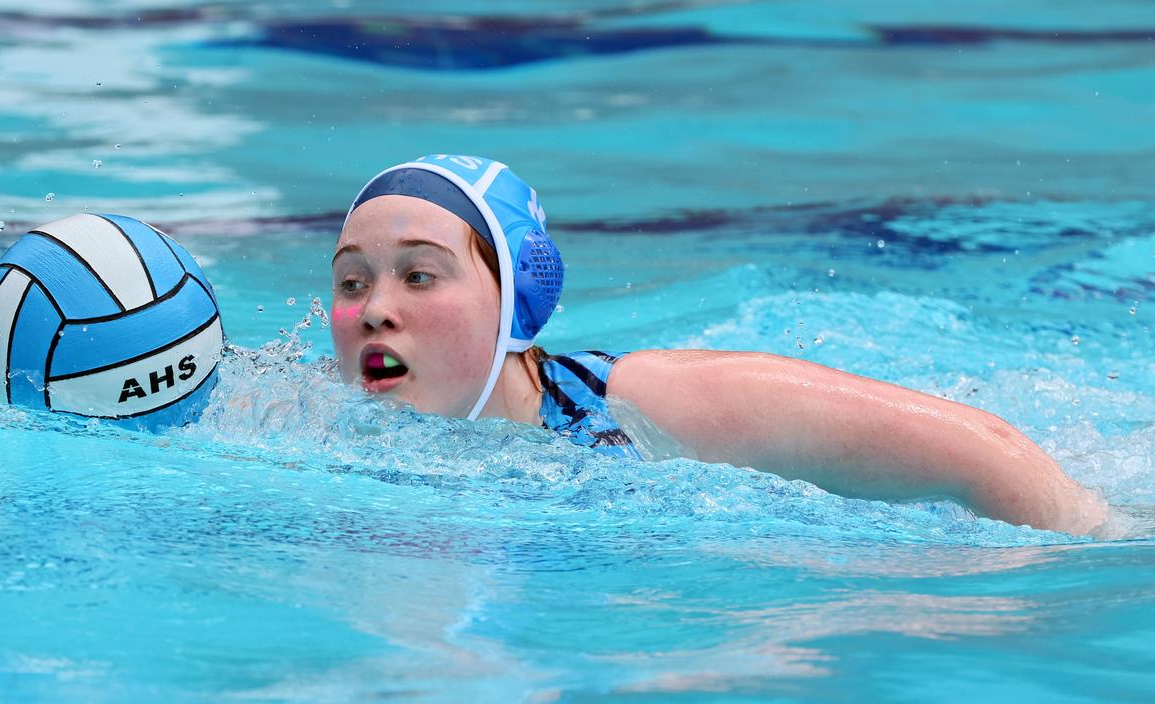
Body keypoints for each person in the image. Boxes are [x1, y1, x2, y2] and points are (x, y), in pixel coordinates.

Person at [329, 154, 1109, 536]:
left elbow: (989, 449)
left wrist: (1073, 564)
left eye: (421, 277)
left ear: (519, 302)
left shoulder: (648, 407)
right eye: (353, 282)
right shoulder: (312, 421)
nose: (374, 312)